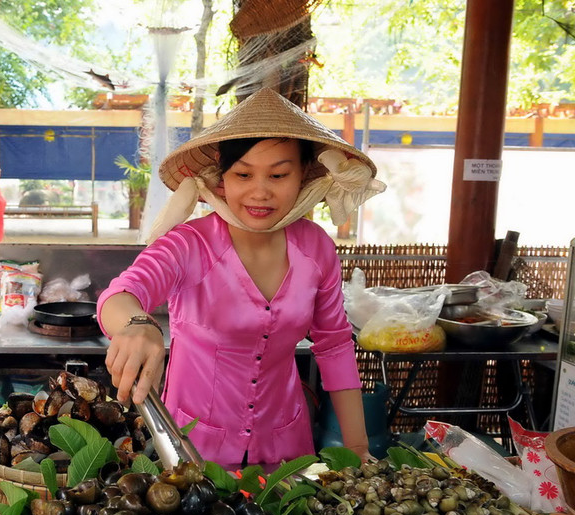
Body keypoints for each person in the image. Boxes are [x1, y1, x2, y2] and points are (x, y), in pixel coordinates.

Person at [97, 88, 386, 469]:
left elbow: (333, 345)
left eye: (279, 174)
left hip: (287, 447)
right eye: (243, 174)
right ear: (222, 179)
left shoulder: (317, 249)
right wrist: (137, 323)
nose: (260, 191)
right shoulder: (189, 244)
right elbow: (122, 292)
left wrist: (358, 447)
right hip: (193, 450)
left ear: (302, 176)